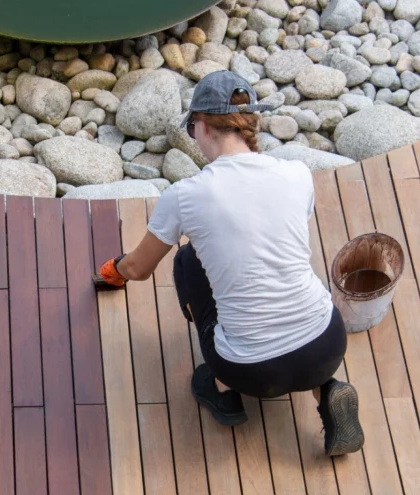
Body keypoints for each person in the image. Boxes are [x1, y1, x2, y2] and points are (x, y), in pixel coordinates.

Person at [98, 71, 363, 456]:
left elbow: (138, 270)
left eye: (191, 128)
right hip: (327, 342)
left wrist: (113, 270)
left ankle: (225, 394)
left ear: (203, 126)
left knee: (188, 259)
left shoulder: (185, 195)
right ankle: (327, 388)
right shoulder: (296, 173)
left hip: (250, 370)